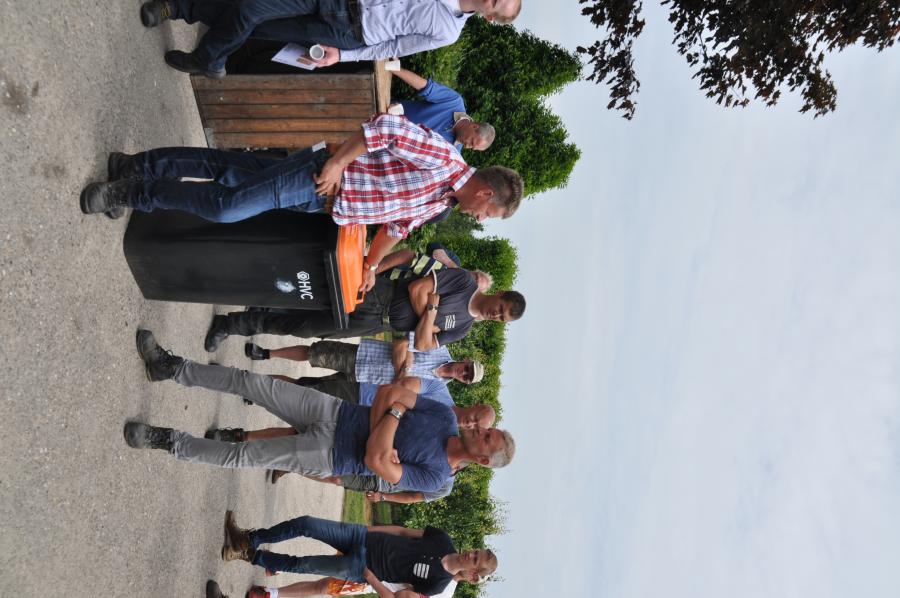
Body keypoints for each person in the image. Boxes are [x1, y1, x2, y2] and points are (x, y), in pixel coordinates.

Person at [80, 113, 524, 292]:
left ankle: (133, 166)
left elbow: (397, 228)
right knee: (225, 207)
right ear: (486, 193)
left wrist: (371, 265)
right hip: (319, 177)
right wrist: (337, 165)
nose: (480, 217)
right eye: (488, 213)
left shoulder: (442, 201)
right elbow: (387, 129)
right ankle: (128, 192)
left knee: (229, 170)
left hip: (322, 204)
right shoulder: (445, 159)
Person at [124, 330, 515, 493]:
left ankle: (166, 440)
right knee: (251, 383)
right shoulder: (444, 417)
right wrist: (388, 425)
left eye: (486, 437)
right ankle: (171, 368)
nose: (480, 430)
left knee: (243, 456)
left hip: (329, 454)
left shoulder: (436, 478)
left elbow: (374, 460)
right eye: (487, 429)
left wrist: (393, 415)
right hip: (336, 411)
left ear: (482, 459)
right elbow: (388, 392)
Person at [138, 0, 522, 79]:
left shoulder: (448, 31)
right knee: (252, 7)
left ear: (490, 17)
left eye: (496, 3)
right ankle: (204, 50)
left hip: (347, 32)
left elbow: (393, 47)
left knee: (256, 23)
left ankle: (184, 16)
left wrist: (343, 56)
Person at [201, 266, 526, 352]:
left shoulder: (464, 328)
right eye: (501, 308)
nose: (496, 315)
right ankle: (239, 286)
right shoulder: (464, 282)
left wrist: (430, 310)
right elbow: (416, 288)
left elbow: (423, 343)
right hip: (378, 295)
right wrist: (429, 319)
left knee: (301, 328)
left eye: (502, 318)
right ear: (499, 294)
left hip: (375, 325)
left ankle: (230, 325)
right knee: (309, 294)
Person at [220, 511, 497, 597]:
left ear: (473, 574)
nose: (471, 554)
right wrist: (370, 528)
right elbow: (402, 531)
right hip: (362, 536)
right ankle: (249, 539)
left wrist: (370, 578)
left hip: (360, 567)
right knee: (306, 524)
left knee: (302, 564)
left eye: (476, 560)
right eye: (477, 551)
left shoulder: (437, 586)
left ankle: (249, 556)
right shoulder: (442, 539)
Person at [392, 67, 494, 152]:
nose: (467, 146)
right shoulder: (455, 102)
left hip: (391, 144)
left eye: (472, 147)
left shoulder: (453, 152)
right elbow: (425, 87)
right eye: (472, 142)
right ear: (474, 126)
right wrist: (395, 69)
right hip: (389, 110)